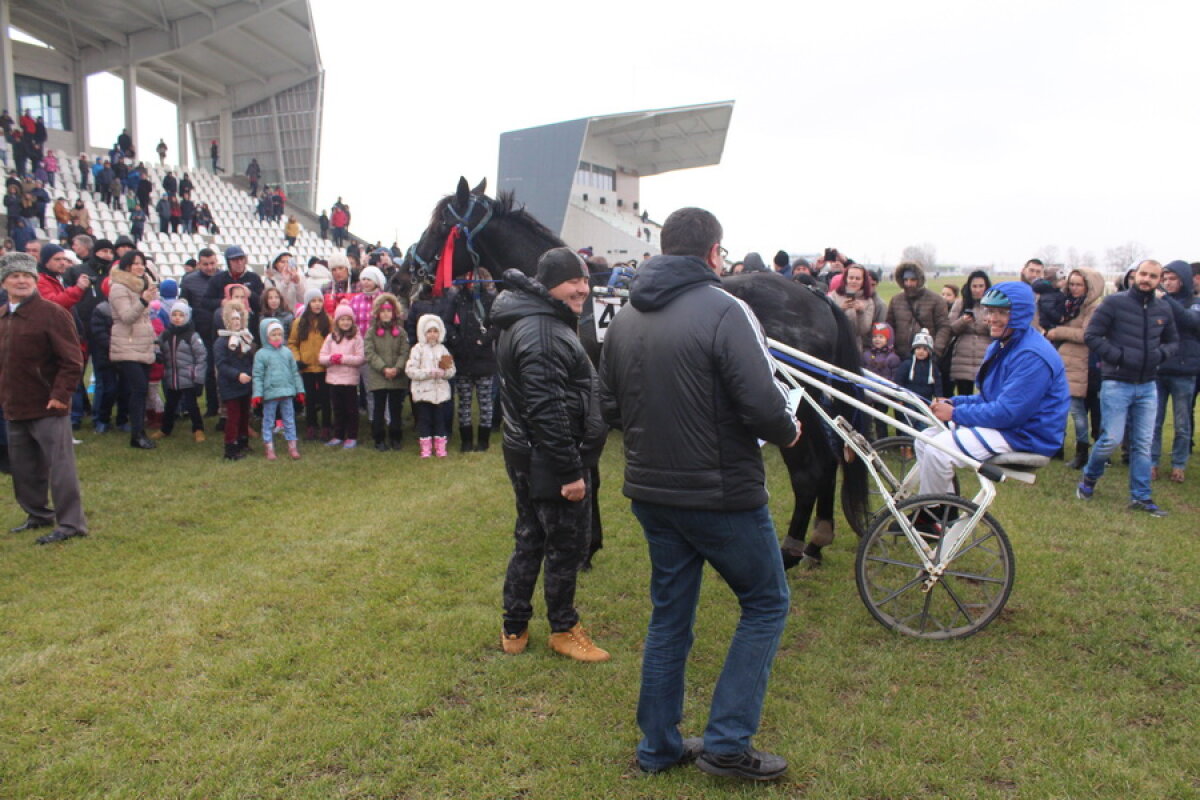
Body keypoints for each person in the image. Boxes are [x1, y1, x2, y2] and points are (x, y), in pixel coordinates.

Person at [599, 208, 801, 779]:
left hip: (652, 492)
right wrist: (788, 428)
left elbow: (609, 406)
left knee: (671, 616)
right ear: (714, 253)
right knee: (766, 602)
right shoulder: (726, 309)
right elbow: (763, 401)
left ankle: (658, 747)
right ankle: (727, 745)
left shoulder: (624, 317)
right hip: (720, 495)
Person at [492, 248, 610, 664]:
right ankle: (563, 628)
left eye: (585, 279)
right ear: (547, 285)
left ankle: (515, 624)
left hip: (528, 453)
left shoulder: (535, 319)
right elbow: (547, 408)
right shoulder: (542, 331)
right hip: (550, 459)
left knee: (530, 538)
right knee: (563, 547)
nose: (583, 288)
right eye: (573, 281)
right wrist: (570, 471)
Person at [917, 282, 1069, 497]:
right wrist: (954, 402)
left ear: (1020, 314)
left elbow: (1008, 413)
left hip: (1027, 435)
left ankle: (930, 515)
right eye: (989, 311)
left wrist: (955, 413)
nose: (992, 318)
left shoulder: (1032, 355)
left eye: (1002, 312)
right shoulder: (1003, 345)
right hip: (1011, 427)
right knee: (923, 439)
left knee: (937, 450)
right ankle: (943, 511)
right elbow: (991, 398)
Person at [1077, 260, 1178, 515]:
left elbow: (1173, 341)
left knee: (1142, 443)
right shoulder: (1114, 303)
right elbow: (1092, 336)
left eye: (1153, 276)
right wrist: (1119, 356)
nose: (1147, 279)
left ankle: (1141, 497)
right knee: (1110, 439)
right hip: (1116, 383)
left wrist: (1160, 355)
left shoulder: (1163, 309)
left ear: (1159, 280)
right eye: (1143, 274)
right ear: (1135, 275)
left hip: (1147, 385)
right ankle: (1089, 477)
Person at [0, 252, 88, 544]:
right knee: (24, 467)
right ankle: (37, 514)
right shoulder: (2, 316)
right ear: (5, 282)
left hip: (49, 405)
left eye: (27, 276)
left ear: (35, 280)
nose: (21, 280)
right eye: (15, 276)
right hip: (14, 405)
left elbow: (72, 361)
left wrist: (60, 396)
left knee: (59, 467)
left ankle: (71, 523)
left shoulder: (53, 313)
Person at [1044, 268, 1105, 469]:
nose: (1074, 288)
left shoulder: (1093, 308)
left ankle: (1083, 451)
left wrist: (1057, 332)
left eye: (1079, 284)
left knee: (1078, 410)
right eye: (1072, 284)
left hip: (1082, 364)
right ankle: (1058, 447)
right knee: (1064, 408)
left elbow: (1086, 334)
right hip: (1065, 362)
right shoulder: (1068, 305)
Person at [1149, 260, 1199, 483]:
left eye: (1172, 279)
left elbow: (1190, 321)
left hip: (1184, 370)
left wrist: (1166, 300)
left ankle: (1179, 464)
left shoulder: (1194, 303)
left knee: (1181, 422)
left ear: (1184, 280)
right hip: (1159, 367)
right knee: (1154, 420)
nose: (1168, 283)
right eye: (1165, 279)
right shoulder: (1156, 302)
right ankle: (1152, 462)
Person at [109, 250, 159, 449]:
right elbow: (127, 317)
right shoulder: (119, 288)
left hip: (142, 344)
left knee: (141, 390)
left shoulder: (142, 285)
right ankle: (136, 434)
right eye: (135, 263)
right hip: (127, 345)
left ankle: (139, 431)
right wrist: (144, 300)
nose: (139, 267)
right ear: (126, 266)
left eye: (142, 263)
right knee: (138, 389)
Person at [449, 269, 498, 451]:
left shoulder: (490, 300)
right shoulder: (457, 299)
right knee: (464, 402)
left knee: (485, 403)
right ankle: (466, 441)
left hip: (484, 359)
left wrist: (483, 340)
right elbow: (447, 323)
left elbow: (497, 325)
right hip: (463, 359)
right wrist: (457, 341)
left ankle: (483, 441)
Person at [152, 300, 207, 442]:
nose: (177, 318)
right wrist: (157, 353)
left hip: (188, 377)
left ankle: (198, 429)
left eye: (181, 315)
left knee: (192, 406)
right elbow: (157, 344)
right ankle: (165, 429)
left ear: (187, 317)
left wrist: (199, 379)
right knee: (170, 406)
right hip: (171, 377)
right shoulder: (166, 334)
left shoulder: (192, 336)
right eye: (174, 314)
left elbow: (201, 356)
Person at [252, 319, 304, 461]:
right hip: (270, 394)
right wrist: (257, 393)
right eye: (273, 334)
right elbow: (258, 375)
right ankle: (269, 447)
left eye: (279, 334)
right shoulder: (261, 354)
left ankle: (292, 446)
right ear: (266, 336)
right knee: (268, 421)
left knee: (289, 420)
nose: (276, 337)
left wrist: (300, 390)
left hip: (286, 393)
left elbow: (294, 372)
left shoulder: (287, 352)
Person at [405, 313, 456, 458]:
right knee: (425, 421)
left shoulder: (443, 349)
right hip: (423, 393)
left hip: (440, 393)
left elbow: (451, 370)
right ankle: (425, 448)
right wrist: (428, 372)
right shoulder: (417, 349)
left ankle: (440, 447)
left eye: (435, 331)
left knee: (440, 421)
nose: (432, 335)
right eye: (429, 331)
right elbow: (410, 370)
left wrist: (443, 373)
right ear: (423, 333)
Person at [364, 293, 410, 451]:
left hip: (397, 377)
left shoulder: (401, 333)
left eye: (389, 311)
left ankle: (396, 437)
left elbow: (405, 353)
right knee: (379, 408)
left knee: (396, 409)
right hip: (379, 377)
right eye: (382, 311)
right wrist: (384, 368)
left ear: (394, 312)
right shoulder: (371, 332)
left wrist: (397, 368)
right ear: (377, 313)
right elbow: (370, 353)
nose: (385, 314)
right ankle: (379, 439)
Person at [289, 289, 332, 441]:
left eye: (320, 301)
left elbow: (333, 341)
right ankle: (311, 426)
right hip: (306, 366)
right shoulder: (298, 323)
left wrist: (329, 358)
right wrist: (297, 358)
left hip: (323, 367)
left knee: (326, 398)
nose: (317, 304)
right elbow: (293, 343)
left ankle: (327, 426)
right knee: (310, 398)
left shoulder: (328, 320)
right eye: (313, 301)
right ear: (308, 303)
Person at [214, 299, 255, 460]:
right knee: (233, 416)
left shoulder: (246, 338)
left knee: (245, 414)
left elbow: (249, 360)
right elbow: (221, 365)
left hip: (245, 383)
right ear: (227, 321)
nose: (236, 322)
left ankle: (243, 441)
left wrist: (250, 373)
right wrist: (237, 375)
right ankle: (230, 447)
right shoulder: (222, 342)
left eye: (238, 319)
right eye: (233, 319)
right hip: (230, 384)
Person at [319, 303, 364, 448]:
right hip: (334, 380)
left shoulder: (357, 338)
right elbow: (322, 357)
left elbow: (360, 358)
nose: (345, 322)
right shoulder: (331, 337)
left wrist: (343, 359)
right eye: (342, 319)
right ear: (337, 321)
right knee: (337, 409)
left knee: (351, 410)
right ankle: (338, 435)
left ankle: (352, 435)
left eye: (348, 319)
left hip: (349, 380)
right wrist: (331, 359)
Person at [886, 261, 951, 360]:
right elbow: (889, 327)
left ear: (920, 280)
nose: (908, 283)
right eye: (905, 280)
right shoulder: (895, 300)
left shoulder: (936, 300)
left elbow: (944, 327)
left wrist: (936, 351)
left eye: (913, 280)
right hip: (900, 356)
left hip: (926, 356)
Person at [947, 270, 992, 396]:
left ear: (987, 287)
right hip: (962, 358)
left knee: (985, 396)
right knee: (964, 396)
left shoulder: (992, 305)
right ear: (969, 287)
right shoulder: (960, 303)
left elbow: (999, 332)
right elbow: (950, 329)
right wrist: (963, 321)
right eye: (974, 286)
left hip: (985, 356)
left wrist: (989, 324)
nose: (977, 290)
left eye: (981, 286)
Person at [862, 321, 901, 440]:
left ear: (888, 340)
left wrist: (890, 393)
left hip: (883, 394)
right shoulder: (866, 355)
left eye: (881, 337)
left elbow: (895, 378)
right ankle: (868, 439)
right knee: (867, 418)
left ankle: (883, 440)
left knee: (880, 420)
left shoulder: (893, 358)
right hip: (868, 393)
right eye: (875, 337)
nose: (877, 339)